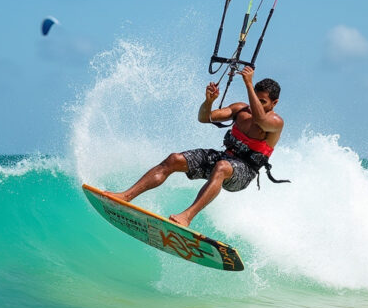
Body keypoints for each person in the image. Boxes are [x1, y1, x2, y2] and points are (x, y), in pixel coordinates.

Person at [107, 65, 286, 227]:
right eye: (255, 98)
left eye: (262, 101)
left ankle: (186, 217)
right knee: (174, 159)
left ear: (274, 103)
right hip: (224, 159)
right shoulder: (240, 109)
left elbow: (260, 119)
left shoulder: (275, 122)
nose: (256, 104)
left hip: (244, 173)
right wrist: (208, 101)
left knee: (222, 167)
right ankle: (126, 196)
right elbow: (204, 118)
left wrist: (248, 84)